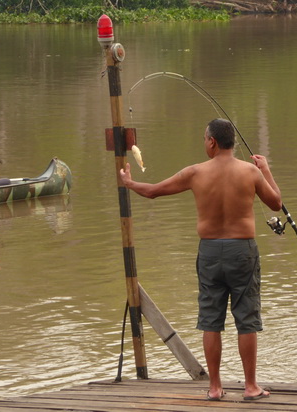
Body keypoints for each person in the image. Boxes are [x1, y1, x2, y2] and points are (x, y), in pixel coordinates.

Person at [119, 118, 282, 402]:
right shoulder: (250, 172)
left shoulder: (194, 173)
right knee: (246, 319)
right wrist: (266, 170)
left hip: (209, 252)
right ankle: (250, 387)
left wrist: (129, 182)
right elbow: (276, 203)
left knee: (210, 319)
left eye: (203, 138)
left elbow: (153, 191)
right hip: (242, 250)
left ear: (212, 142)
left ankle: (216, 388)